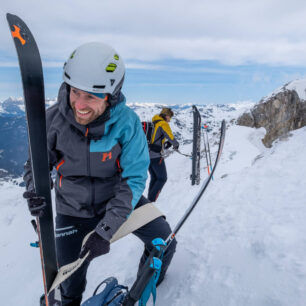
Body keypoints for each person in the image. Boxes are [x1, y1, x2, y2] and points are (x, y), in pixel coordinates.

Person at [23, 42, 176, 306]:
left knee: (163, 243)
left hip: (115, 200)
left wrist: (106, 229)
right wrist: (36, 190)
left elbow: (134, 180)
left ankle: (141, 290)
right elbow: (34, 166)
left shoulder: (127, 125)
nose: (79, 104)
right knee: (69, 282)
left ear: (111, 96)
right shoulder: (52, 121)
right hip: (72, 209)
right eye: (75, 92)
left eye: (91, 96)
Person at [148, 108, 179, 202]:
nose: (170, 120)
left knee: (154, 177)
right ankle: (151, 201)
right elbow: (170, 136)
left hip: (147, 155)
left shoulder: (153, 122)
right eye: (170, 117)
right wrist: (175, 144)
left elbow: (156, 137)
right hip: (156, 156)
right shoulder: (163, 123)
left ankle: (149, 201)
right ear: (166, 116)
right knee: (162, 178)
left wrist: (166, 143)